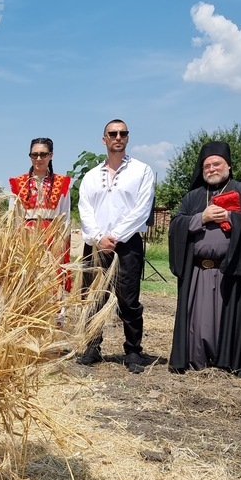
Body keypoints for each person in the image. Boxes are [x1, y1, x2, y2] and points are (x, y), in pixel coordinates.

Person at [168, 141, 241, 377]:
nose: (212, 169)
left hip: (230, 270)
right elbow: (176, 224)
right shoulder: (193, 197)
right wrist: (200, 218)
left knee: (228, 317)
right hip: (197, 272)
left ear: (229, 167)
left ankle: (229, 361)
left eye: (217, 164)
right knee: (198, 321)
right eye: (207, 166)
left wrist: (232, 217)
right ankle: (196, 359)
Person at [76, 120, 156, 373]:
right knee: (94, 296)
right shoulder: (91, 176)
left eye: (122, 133)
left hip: (127, 242)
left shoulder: (142, 171)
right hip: (96, 244)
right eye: (112, 133)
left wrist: (116, 235)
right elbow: (85, 209)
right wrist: (99, 237)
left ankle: (133, 351)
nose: (117, 137)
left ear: (128, 138)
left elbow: (141, 209)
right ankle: (92, 347)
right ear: (104, 139)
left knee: (128, 299)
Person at [9, 138, 72, 294]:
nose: (38, 159)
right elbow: (13, 218)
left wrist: (62, 244)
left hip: (53, 238)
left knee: (52, 282)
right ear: (30, 156)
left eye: (43, 154)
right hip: (25, 238)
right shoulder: (19, 182)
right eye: (34, 154)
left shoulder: (61, 182)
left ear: (51, 156)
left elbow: (65, 217)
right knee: (26, 281)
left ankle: (56, 317)